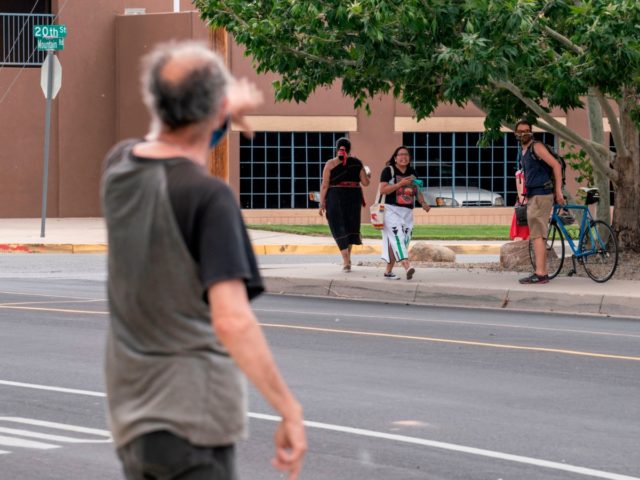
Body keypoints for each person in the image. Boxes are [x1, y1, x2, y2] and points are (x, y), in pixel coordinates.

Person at [101, 41, 306, 480]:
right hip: (193, 420)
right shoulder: (208, 198)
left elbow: (162, 141)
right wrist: (288, 408)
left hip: (132, 421)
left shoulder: (117, 170)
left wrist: (219, 109)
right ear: (217, 112)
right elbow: (232, 321)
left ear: (154, 102)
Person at [515, 119, 565, 284]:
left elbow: (556, 165)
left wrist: (558, 191)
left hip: (541, 195)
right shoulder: (524, 151)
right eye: (520, 131)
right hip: (534, 196)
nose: (523, 134)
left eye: (526, 130)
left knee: (537, 236)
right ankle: (541, 271)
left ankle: (541, 273)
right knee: (538, 236)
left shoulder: (536, 147)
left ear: (531, 132)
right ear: (516, 134)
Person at [377, 146, 430, 280]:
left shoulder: (412, 172)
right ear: (395, 157)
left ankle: (388, 272)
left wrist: (423, 203)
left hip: (407, 211)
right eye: (400, 155)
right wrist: (400, 184)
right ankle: (407, 266)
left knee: (404, 239)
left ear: (409, 158)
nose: (403, 157)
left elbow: (417, 190)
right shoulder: (388, 171)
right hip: (391, 209)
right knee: (397, 237)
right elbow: (383, 190)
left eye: (406, 154)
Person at [318, 137, 371, 272]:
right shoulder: (357, 163)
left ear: (337, 149)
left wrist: (321, 203)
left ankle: (346, 261)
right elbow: (365, 183)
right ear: (349, 148)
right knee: (350, 227)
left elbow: (325, 185)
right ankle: (348, 259)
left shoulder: (330, 163)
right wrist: (367, 173)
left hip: (335, 197)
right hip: (353, 197)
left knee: (338, 226)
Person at [509, 168, 530, 241]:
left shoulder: (533, 172)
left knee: (530, 234)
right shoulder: (520, 174)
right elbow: (520, 194)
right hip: (524, 206)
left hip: (531, 205)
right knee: (521, 233)